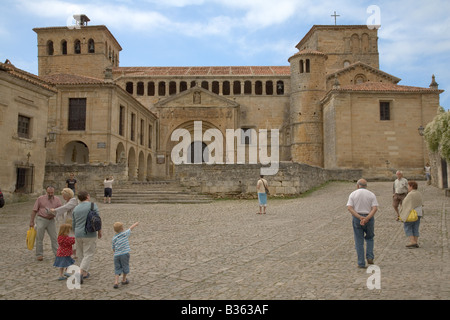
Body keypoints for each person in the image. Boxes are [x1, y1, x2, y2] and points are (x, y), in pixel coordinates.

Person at [347, 179, 379, 268]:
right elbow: (375, 208)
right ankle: (370, 256)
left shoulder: (353, 194)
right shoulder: (371, 194)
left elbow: (349, 208)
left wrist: (359, 217)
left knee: (359, 240)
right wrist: (367, 217)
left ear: (358, 186)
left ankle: (361, 262)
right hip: (369, 218)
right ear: (366, 186)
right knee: (370, 238)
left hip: (357, 218)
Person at [72, 191, 102, 283]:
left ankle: (84, 273)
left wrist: (75, 232)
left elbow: (74, 223)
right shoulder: (92, 206)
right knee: (88, 253)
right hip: (89, 233)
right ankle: (81, 272)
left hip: (78, 233)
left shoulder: (76, 208)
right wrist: (99, 231)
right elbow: (97, 219)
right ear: (87, 196)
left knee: (80, 253)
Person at [29, 186, 62, 261]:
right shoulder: (40, 199)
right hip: (41, 219)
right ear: (46, 192)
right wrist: (32, 221)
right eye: (49, 193)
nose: (50, 194)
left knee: (54, 237)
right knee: (39, 237)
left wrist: (55, 212)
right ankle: (39, 255)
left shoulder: (57, 200)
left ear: (54, 192)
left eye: (52, 193)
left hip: (51, 220)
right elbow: (34, 210)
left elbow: (60, 210)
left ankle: (57, 254)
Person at [51, 188, 79, 258]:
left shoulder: (73, 201)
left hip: (72, 221)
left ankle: (75, 252)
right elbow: (63, 210)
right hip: (67, 221)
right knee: (69, 236)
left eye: (64, 195)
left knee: (72, 236)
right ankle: (71, 251)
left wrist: (55, 210)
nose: (63, 197)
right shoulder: (67, 201)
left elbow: (65, 208)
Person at [112, 221, 139, 289]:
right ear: (122, 229)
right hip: (124, 254)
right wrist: (135, 224)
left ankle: (116, 282)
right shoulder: (125, 234)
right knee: (125, 266)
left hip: (116, 255)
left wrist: (116, 252)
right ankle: (124, 280)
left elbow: (113, 248)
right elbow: (130, 228)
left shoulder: (114, 238)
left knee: (117, 268)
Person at [399, 181, 423, 248]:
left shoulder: (410, 194)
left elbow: (405, 204)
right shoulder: (418, 193)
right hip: (419, 213)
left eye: (408, 186)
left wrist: (401, 214)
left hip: (411, 214)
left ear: (411, 186)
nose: (408, 188)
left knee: (408, 227)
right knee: (415, 227)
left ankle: (412, 242)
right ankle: (415, 241)